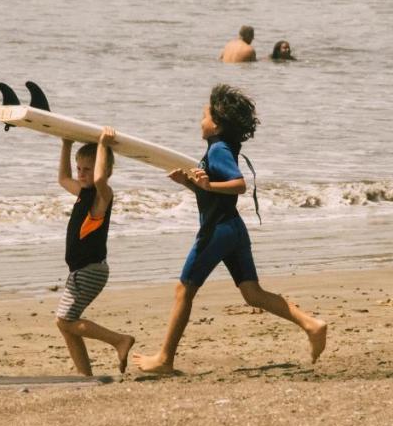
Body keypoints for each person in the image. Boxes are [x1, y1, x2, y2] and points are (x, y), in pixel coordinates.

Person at [133, 85, 327, 374]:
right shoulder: (219, 148)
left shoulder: (219, 149)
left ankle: (164, 359)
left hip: (219, 230)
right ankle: (312, 324)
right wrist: (188, 183)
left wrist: (207, 184)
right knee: (252, 293)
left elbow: (238, 185)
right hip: (233, 228)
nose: (200, 121)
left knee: (183, 290)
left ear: (218, 124)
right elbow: (211, 192)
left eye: (204, 116)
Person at [54, 129, 135, 375]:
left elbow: (100, 179)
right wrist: (66, 144)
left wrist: (102, 144)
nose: (81, 174)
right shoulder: (83, 193)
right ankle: (84, 375)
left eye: (87, 169)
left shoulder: (103, 195)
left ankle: (119, 340)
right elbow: (63, 178)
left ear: (105, 171)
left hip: (90, 270)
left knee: (64, 321)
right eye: (80, 169)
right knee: (65, 323)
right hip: (81, 271)